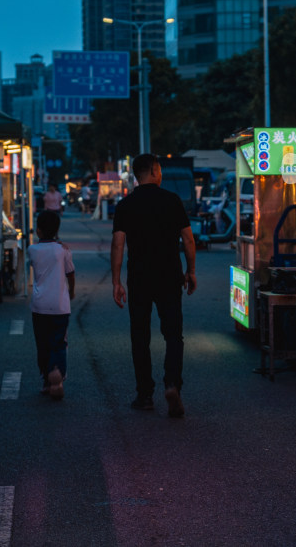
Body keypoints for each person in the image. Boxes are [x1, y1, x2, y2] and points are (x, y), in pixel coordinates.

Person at [110, 153, 196, 418]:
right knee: (173, 335)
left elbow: (118, 244)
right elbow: (188, 240)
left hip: (139, 278)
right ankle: (172, 385)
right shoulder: (172, 201)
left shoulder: (126, 205)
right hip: (169, 276)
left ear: (137, 175)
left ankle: (145, 395)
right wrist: (190, 270)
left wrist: (116, 281)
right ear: (155, 171)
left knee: (140, 336)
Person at [28, 210, 75, 399]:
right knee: (59, 343)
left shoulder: (32, 250)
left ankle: (47, 381)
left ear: (38, 231)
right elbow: (70, 274)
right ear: (57, 230)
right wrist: (71, 291)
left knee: (42, 344)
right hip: (60, 306)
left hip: (39, 306)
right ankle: (57, 372)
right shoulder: (63, 250)